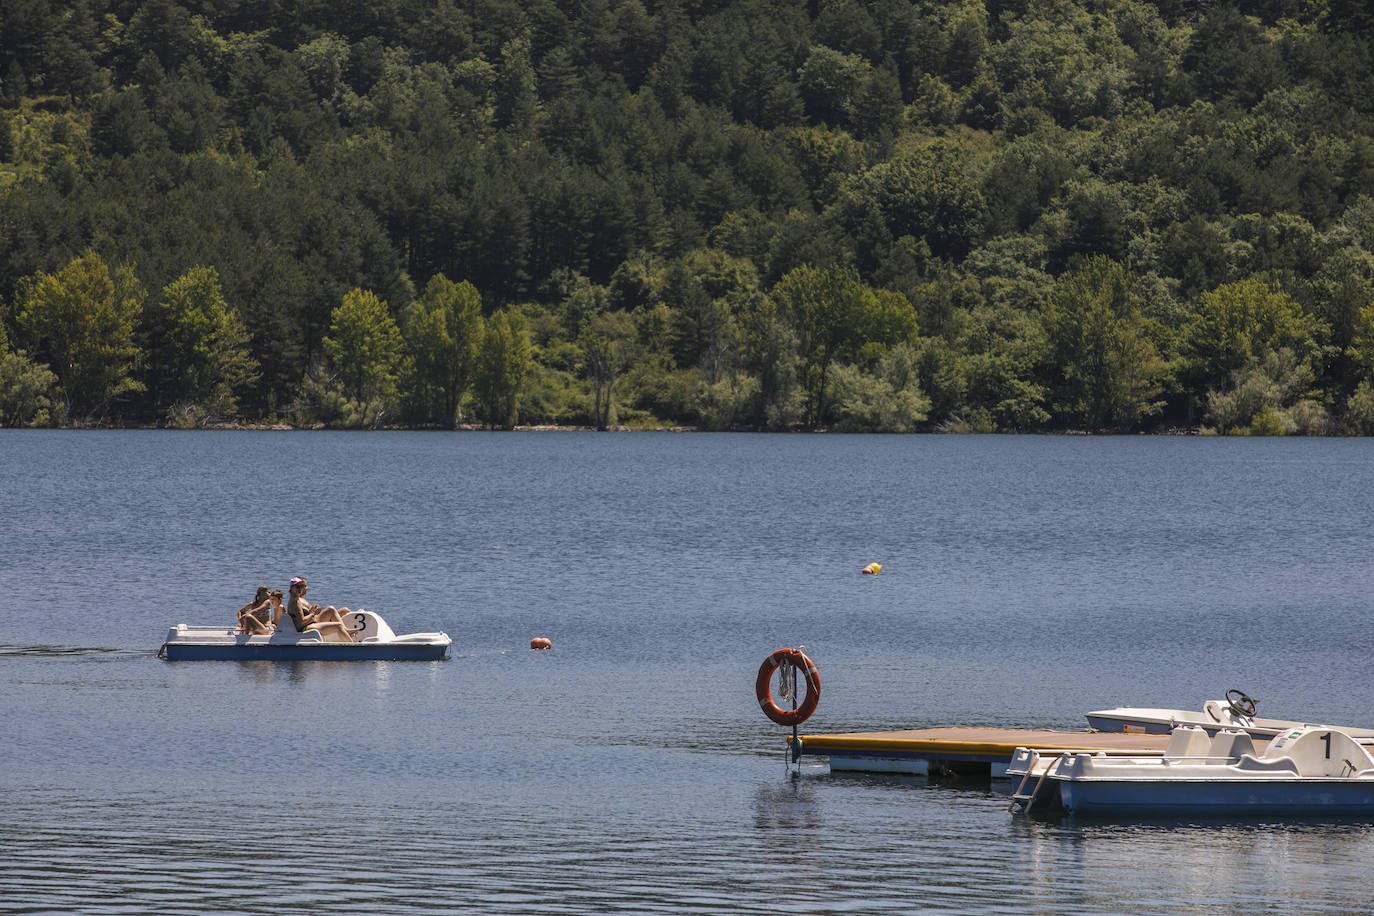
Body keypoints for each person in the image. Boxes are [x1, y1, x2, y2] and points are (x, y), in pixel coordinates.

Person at [285, 576, 357, 643]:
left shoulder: (296, 599)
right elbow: (301, 623)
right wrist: (312, 614)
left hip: (310, 623)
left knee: (330, 609)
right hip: (305, 628)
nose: (299, 589)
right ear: (291, 588)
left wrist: (311, 611)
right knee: (338, 626)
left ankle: (346, 631)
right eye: (297, 587)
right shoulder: (295, 602)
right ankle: (352, 647)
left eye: (301, 586)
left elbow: (302, 615)